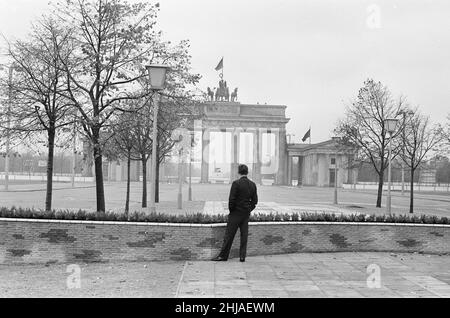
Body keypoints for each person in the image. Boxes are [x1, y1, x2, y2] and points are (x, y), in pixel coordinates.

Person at [212, 164, 258, 262]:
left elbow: (231, 200)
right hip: (245, 214)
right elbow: (255, 201)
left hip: (235, 213)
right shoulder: (252, 184)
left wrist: (232, 210)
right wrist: (249, 209)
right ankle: (242, 257)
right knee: (244, 236)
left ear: (238, 172)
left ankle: (223, 256)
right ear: (247, 172)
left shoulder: (236, 183)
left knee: (229, 236)